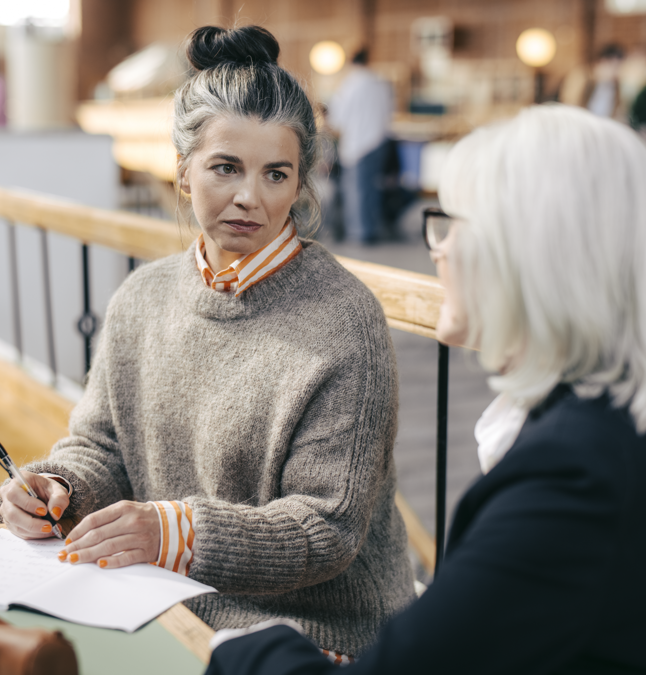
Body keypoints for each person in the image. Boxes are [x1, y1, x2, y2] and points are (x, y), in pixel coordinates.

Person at [0, 25, 415, 660]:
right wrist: (57, 488)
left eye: (277, 174)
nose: (251, 197)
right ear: (183, 172)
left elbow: (326, 529)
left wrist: (174, 531)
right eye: (225, 167)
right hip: (164, 605)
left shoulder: (345, 320)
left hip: (314, 641)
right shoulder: (143, 296)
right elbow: (100, 444)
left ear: (301, 185)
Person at [203, 104, 646, 674]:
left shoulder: (572, 477)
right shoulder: (589, 428)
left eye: (451, 223)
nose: (436, 248)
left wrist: (247, 648)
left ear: (524, 254)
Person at [328, 48, 392, 244]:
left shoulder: (350, 85)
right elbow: (390, 111)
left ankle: (359, 233)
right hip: (379, 143)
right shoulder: (380, 83)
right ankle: (372, 229)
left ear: (350, 61)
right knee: (372, 189)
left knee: (356, 192)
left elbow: (337, 119)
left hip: (357, 146)